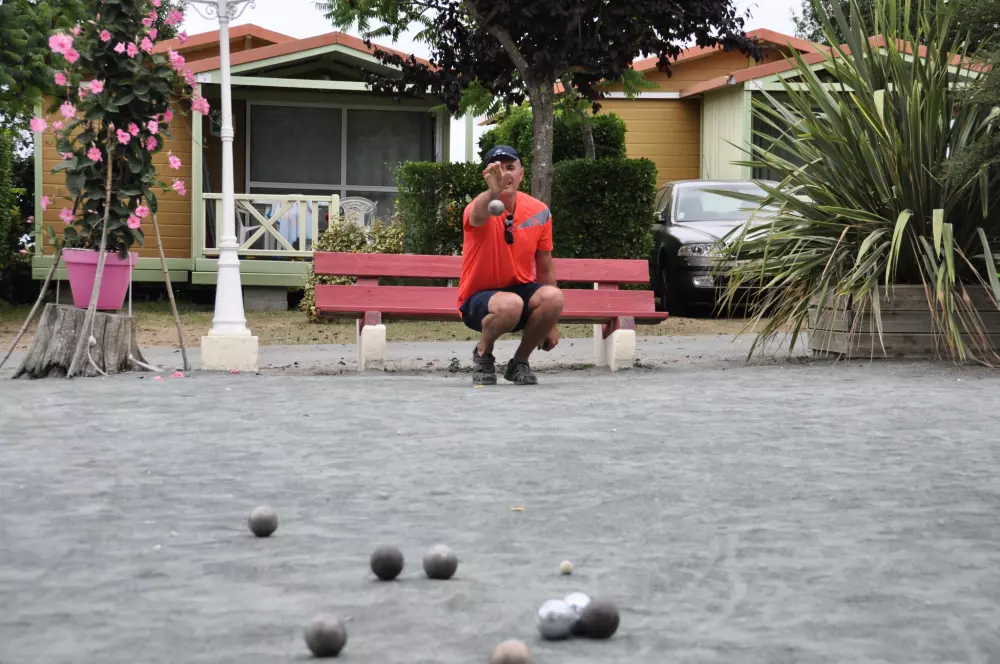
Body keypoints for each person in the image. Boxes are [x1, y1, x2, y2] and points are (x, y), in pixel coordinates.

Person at [456, 145, 565, 386]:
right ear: (487, 175)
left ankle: (520, 362)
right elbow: (477, 216)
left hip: (519, 290)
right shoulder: (479, 206)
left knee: (553, 298)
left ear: (521, 174)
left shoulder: (539, 212)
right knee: (510, 304)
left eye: (510, 168)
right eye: (498, 169)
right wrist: (492, 193)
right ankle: (483, 353)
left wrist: (551, 324)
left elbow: (545, 266)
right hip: (478, 299)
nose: (505, 175)